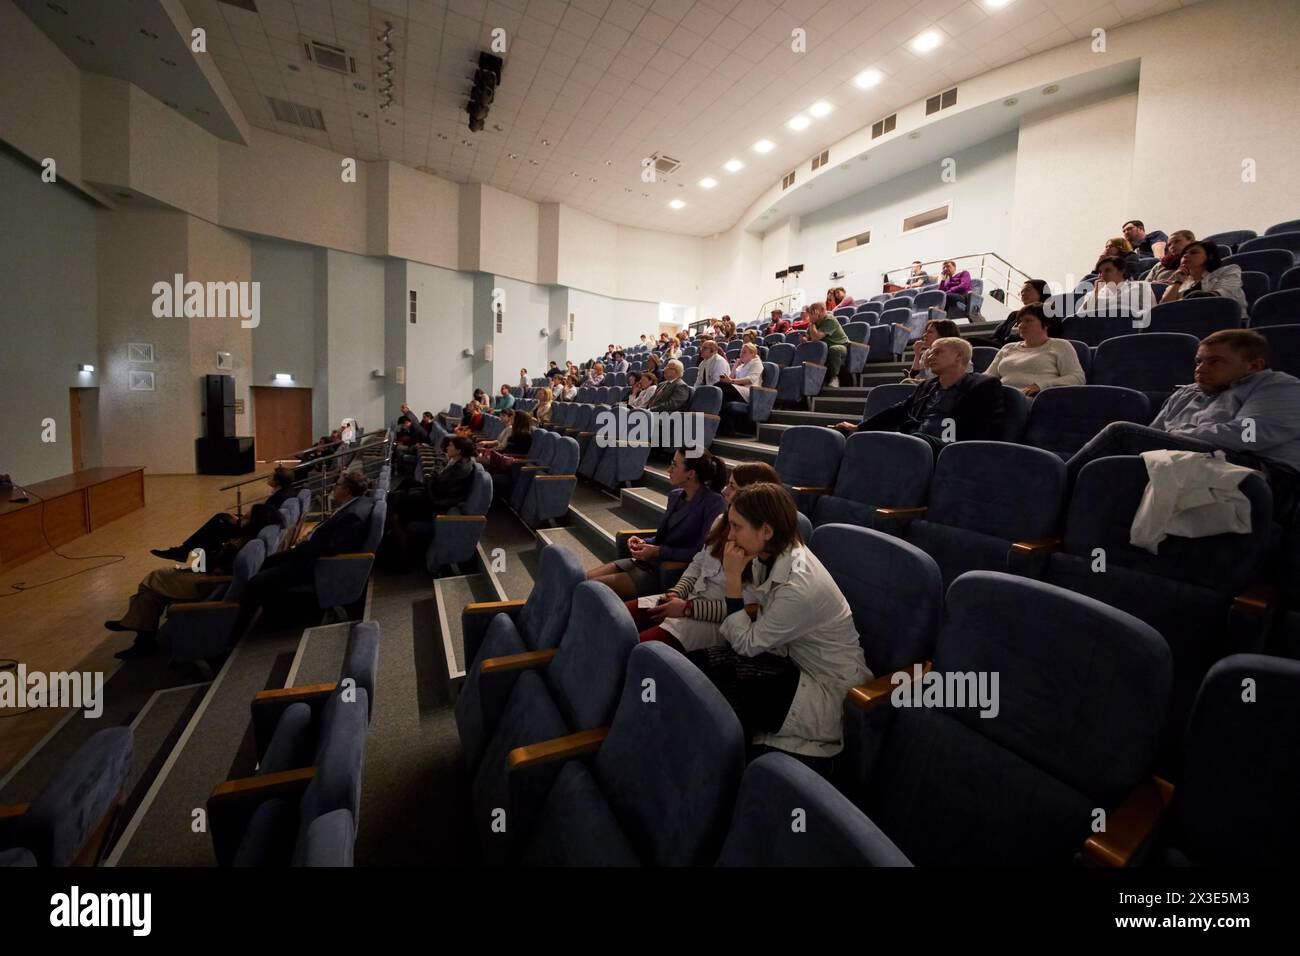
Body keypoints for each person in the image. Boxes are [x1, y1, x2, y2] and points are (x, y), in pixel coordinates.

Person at [688, 482, 869, 763]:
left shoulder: (798, 586)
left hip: (825, 687)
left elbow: (747, 645)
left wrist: (733, 580)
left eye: (736, 527)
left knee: (720, 693)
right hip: (790, 662)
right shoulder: (769, 554)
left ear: (767, 531)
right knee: (701, 666)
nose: (730, 536)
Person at [1066, 329, 1300, 520]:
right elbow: (1155, 433)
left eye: (1214, 361)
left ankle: (1052, 490)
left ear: (1254, 366)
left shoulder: (1278, 385)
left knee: (1121, 434)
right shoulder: (1187, 392)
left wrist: (1175, 436)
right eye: (1199, 361)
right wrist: (1164, 440)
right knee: (1116, 466)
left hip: (1262, 472)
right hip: (1191, 457)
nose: (1201, 368)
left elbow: (1248, 435)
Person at [623, 461, 781, 650]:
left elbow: (748, 606)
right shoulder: (721, 521)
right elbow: (698, 563)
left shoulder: (760, 545)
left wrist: (689, 609)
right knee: (620, 617)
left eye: (732, 487)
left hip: (716, 621)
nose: (725, 492)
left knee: (640, 647)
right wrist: (676, 593)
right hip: (688, 598)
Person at [108, 504, 286, 659]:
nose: (242, 516)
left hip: (208, 584)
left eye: (246, 516)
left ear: (253, 522)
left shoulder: (238, 545)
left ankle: (139, 633)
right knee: (151, 596)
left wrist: (200, 557)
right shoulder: (250, 539)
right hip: (212, 578)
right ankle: (143, 640)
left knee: (152, 580)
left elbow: (214, 566)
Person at [587, 449, 727, 598]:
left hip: (666, 570)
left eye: (674, 465)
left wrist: (657, 551)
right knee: (584, 579)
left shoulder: (713, 502)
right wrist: (644, 543)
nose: (669, 469)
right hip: (650, 562)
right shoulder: (675, 495)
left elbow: (701, 551)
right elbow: (663, 537)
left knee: (589, 590)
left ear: (690, 474)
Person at [239, 471, 375, 624]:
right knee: (270, 561)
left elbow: (330, 548)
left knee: (255, 582)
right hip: (311, 553)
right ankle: (273, 613)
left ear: (347, 491)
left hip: (316, 565)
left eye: (337, 485)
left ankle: (241, 629)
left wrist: (301, 546)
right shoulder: (358, 504)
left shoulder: (353, 515)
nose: (334, 488)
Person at [832, 337, 1006, 452]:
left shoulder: (984, 385)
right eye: (929, 351)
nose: (929, 356)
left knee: (913, 440)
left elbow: (986, 432)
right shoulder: (928, 385)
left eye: (937, 352)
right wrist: (859, 428)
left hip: (953, 446)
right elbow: (899, 410)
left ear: (959, 356)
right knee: (849, 437)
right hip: (916, 442)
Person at [151, 467, 295, 561]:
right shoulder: (285, 492)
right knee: (219, 519)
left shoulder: (277, 497)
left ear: (277, 481)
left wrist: (239, 522)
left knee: (216, 526)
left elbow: (261, 521)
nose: (267, 477)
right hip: (253, 525)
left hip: (249, 531)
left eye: (270, 476)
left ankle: (183, 551)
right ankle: (184, 551)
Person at [387, 437, 478, 561]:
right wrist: (432, 477)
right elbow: (437, 479)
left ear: (459, 450)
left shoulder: (460, 469)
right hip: (434, 494)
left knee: (395, 502)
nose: (447, 447)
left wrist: (431, 477)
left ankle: (402, 552)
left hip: (435, 501)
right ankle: (391, 531)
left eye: (450, 446)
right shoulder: (456, 461)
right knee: (406, 484)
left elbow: (437, 486)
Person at [985, 303, 1086, 396]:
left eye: (1028, 320)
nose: (1021, 325)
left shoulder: (1060, 345)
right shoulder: (1008, 348)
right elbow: (987, 377)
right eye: (1020, 321)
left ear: (1046, 324)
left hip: (1037, 398)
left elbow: (1077, 378)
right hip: (1001, 397)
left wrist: (1042, 385)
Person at [1158, 240, 1248, 319]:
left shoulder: (1228, 270)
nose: (1185, 255)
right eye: (1183, 254)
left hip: (1225, 320)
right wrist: (1177, 282)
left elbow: (1224, 294)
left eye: (1193, 252)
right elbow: (1162, 309)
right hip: (1187, 323)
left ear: (1210, 257)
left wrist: (1188, 300)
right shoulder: (1179, 282)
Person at [1076, 256, 1158, 317]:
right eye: (1100, 272)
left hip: (1132, 329)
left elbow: (1150, 312)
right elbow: (1081, 317)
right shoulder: (1093, 294)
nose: (1102, 275)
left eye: (1107, 270)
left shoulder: (1141, 286)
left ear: (1121, 271)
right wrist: (1095, 292)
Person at [977, 279, 1049, 348]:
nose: (1023, 294)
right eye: (1021, 292)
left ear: (1041, 292)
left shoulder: (1047, 314)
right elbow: (997, 335)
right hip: (1003, 347)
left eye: (1027, 290)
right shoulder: (1014, 315)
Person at [806, 301, 850, 386]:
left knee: (834, 349)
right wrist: (804, 339)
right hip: (824, 348)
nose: (811, 315)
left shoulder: (829, 319)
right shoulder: (815, 323)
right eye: (810, 312)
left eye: (814, 312)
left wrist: (811, 323)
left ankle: (834, 377)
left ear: (822, 310)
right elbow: (808, 336)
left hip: (841, 346)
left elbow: (815, 337)